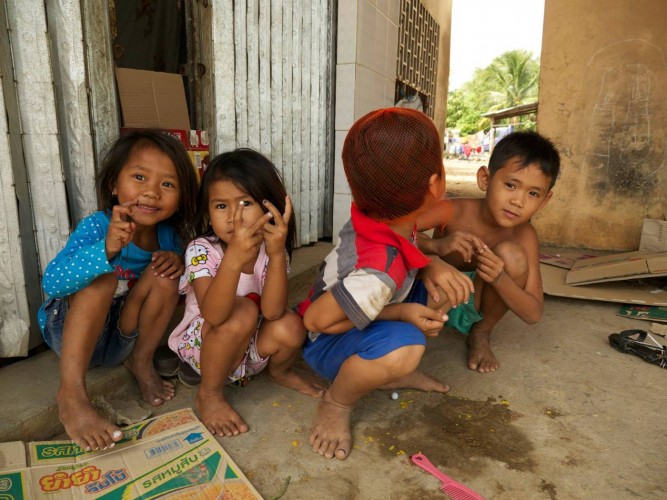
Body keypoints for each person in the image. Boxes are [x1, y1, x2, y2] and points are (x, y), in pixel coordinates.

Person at [296, 108, 474, 460]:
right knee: (404, 349)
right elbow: (315, 321)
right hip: (325, 338)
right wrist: (404, 312)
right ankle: (338, 401)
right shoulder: (381, 272)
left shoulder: (378, 214)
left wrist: (433, 258)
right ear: (435, 185)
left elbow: (407, 241)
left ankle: (387, 375)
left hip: (365, 301)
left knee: (449, 284)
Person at [38, 130, 199, 452]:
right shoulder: (98, 226)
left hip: (121, 339)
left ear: (181, 198)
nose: (152, 193)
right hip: (70, 333)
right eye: (139, 177)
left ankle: (140, 361)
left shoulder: (170, 238)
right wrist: (106, 250)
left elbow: (180, 295)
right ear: (114, 185)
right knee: (103, 280)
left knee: (166, 275)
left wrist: (179, 263)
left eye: (167, 184)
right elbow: (52, 283)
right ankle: (71, 393)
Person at [168, 149, 325, 437]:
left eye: (245, 202)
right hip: (205, 346)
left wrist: (277, 255)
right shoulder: (202, 250)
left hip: (249, 343)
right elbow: (214, 315)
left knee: (291, 323)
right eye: (220, 206)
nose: (234, 217)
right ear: (207, 212)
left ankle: (280, 371)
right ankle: (210, 394)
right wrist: (234, 259)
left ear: (270, 208)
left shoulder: (270, 250)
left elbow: (274, 313)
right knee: (242, 310)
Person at [417, 130, 561, 373]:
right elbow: (397, 233)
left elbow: (533, 312)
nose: (518, 201)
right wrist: (435, 248)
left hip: (476, 299)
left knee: (512, 255)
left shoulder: (525, 236)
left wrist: (499, 278)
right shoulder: (454, 211)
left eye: (533, 193)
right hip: (434, 291)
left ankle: (481, 333)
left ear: (545, 201)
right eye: (510, 185)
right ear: (485, 178)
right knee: (406, 340)